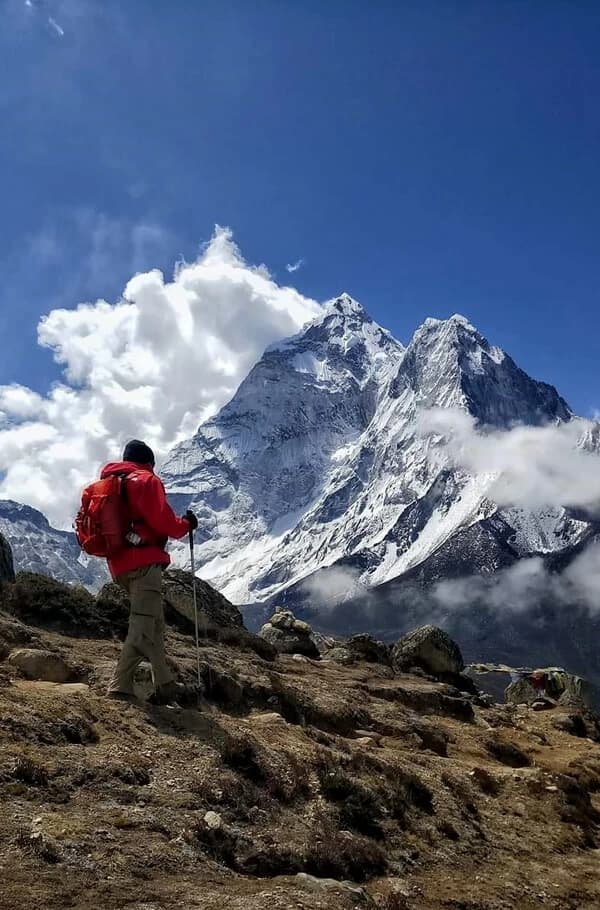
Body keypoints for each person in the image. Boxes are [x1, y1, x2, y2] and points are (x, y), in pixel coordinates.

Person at [102, 439, 198, 704]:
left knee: (154, 625)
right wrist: (186, 525)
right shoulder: (145, 480)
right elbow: (163, 521)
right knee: (142, 627)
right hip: (144, 563)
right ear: (149, 462)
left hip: (119, 564)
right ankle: (119, 687)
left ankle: (166, 685)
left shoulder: (113, 482)